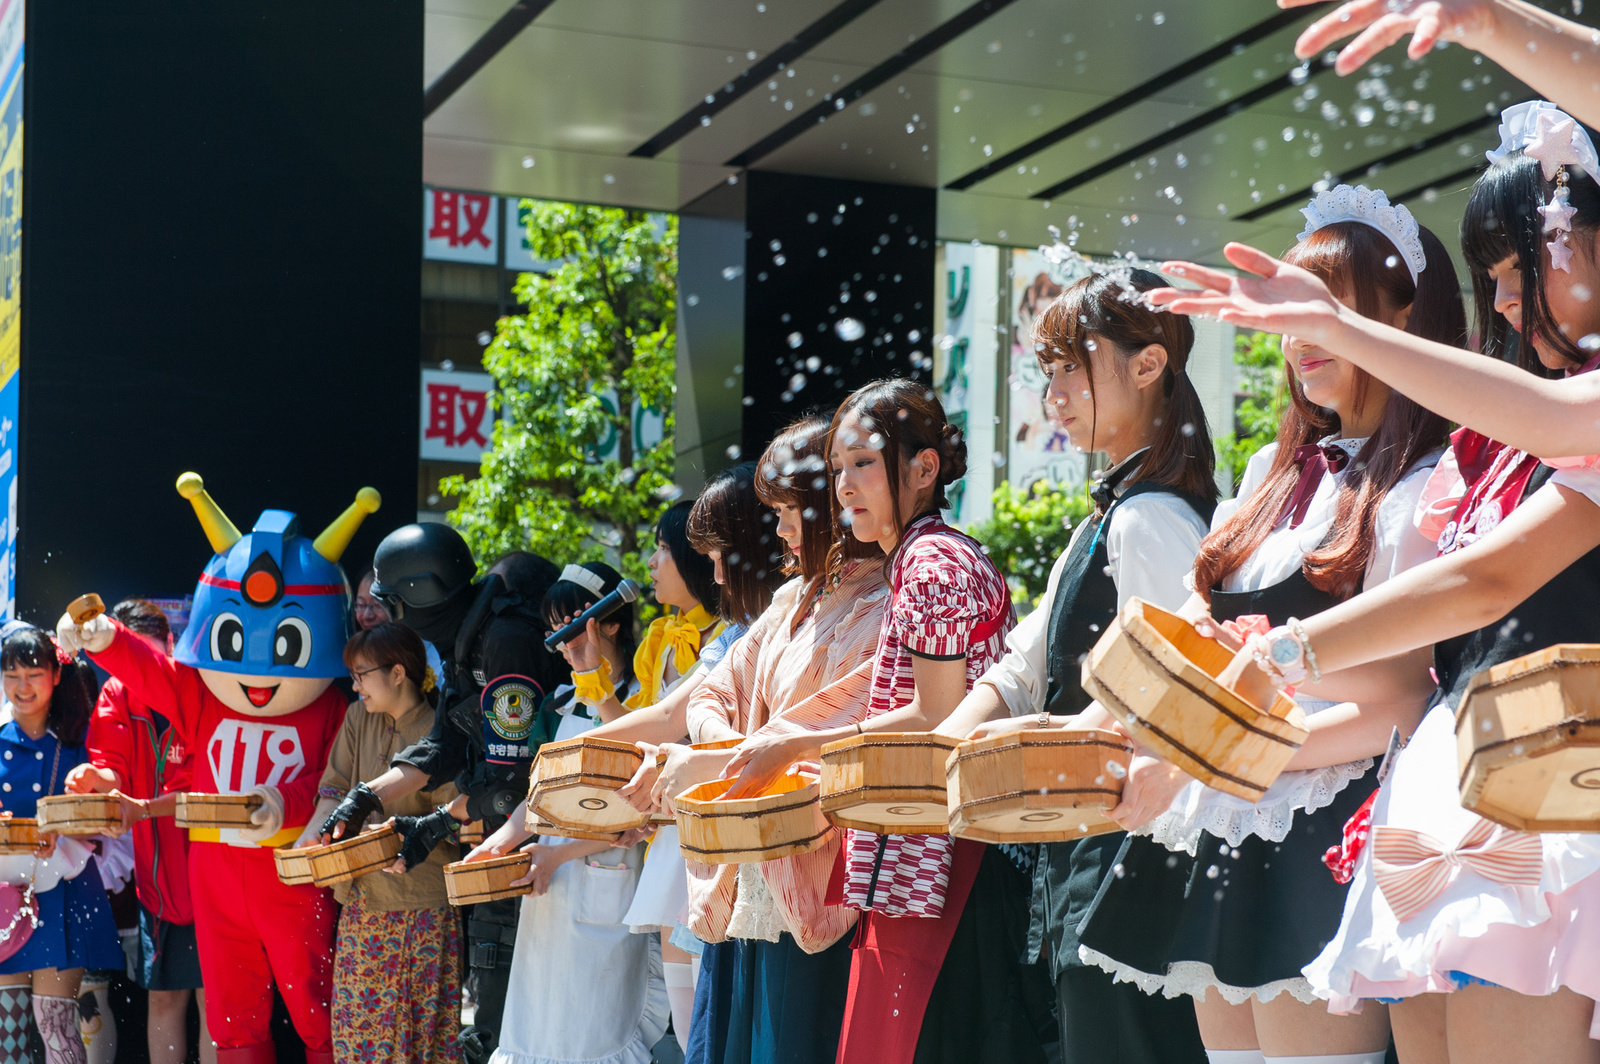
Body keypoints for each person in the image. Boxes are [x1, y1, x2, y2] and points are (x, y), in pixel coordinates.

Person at [1179, 106, 1600, 1064]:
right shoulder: (1494, 447)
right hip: (1474, 787)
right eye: (1489, 277)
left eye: (1516, 270)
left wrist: (1287, 648)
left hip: (1562, 792)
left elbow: (1483, 581)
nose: (1500, 302)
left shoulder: (1546, 424)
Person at [1073, 187, 1467, 1064]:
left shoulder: (1427, 485)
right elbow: (1184, 640)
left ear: (1407, 316)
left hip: (1330, 827)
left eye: (1327, 309)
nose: (1297, 336)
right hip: (1226, 813)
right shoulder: (1274, 470)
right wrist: (1094, 733)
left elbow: (1396, 705)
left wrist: (1194, 759)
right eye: (1287, 313)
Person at [934, 268, 1215, 1064]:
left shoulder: (1152, 517)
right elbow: (1026, 662)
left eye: (1070, 367)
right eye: (1047, 371)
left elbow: (1177, 691)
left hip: (1140, 852)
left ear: (1148, 364)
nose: (1053, 393)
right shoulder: (1116, 512)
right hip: (1094, 840)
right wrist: (934, 751)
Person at [725, 380, 1045, 1064]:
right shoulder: (928, 556)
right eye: (839, 469)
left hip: (948, 851)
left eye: (864, 464)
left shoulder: (931, 562)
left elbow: (935, 713)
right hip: (930, 845)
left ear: (924, 468)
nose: (845, 487)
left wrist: (798, 741)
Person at [670, 413, 889, 1064]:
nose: (781, 530)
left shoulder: (883, 600)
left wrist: (741, 749)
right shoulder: (794, 596)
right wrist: (730, 745)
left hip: (821, 872)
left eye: (789, 512)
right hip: (753, 868)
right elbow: (713, 695)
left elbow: (822, 728)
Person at [319, 526, 561, 1064]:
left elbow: (507, 783)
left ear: (419, 594)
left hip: (543, 856)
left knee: (512, 1032)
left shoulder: (505, 641)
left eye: (393, 600)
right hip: (511, 854)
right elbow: (443, 747)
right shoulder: (467, 640)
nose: (391, 612)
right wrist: (367, 796)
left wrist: (436, 824)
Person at [465, 561, 669, 1064]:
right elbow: (539, 794)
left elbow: (639, 813)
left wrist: (558, 856)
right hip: (547, 878)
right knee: (542, 1019)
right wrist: (501, 843)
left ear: (612, 623)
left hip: (608, 874)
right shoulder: (557, 704)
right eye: (554, 627)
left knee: (594, 1024)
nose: (560, 639)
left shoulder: (647, 701)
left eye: (571, 624)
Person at [296, 622, 459, 1064]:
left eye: (361, 674)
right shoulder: (356, 717)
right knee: (355, 1037)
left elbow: (455, 819)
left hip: (419, 907)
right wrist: (312, 833)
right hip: (361, 905)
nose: (354, 685)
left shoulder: (440, 729)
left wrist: (389, 834)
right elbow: (333, 787)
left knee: (415, 1040)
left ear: (399, 673)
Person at [64, 599, 212, 1064]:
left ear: (169, 646)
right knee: (164, 999)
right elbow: (113, 767)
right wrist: (93, 778)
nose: (136, 674)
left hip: (211, 879)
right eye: (123, 663)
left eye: (140, 658)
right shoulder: (114, 694)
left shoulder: (198, 687)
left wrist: (144, 809)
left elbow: (200, 793)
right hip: (158, 884)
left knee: (216, 1005)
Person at [0, 628, 122, 1064]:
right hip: (4, 896)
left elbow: (114, 799)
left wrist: (76, 815)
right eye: (11, 673)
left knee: (57, 1028)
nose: (22, 685)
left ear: (56, 674)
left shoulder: (82, 741)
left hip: (64, 890)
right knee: (5, 1034)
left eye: (34, 672)